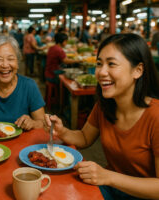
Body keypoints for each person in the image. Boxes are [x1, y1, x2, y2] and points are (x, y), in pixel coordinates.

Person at [45, 33, 159, 199]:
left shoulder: (155, 116)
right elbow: (84, 137)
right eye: (99, 64)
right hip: (111, 189)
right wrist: (63, 132)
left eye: (111, 64)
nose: (101, 72)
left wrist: (108, 177)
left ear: (138, 70)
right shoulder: (105, 106)